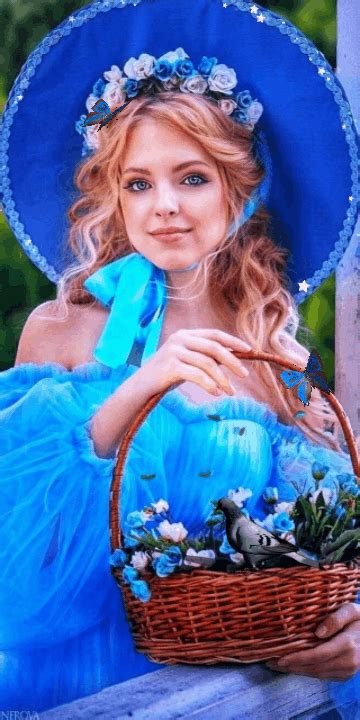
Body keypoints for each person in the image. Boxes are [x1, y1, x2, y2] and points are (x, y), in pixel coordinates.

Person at [0, 0, 359, 716]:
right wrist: (144, 385)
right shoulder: (60, 329)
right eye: (139, 182)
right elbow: (19, 576)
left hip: (231, 697)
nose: (164, 205)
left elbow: (318, 554)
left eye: (191, 177)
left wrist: (349, 624)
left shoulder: (271, 352)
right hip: (75, 688)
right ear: (115, 197)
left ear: (240, 188)